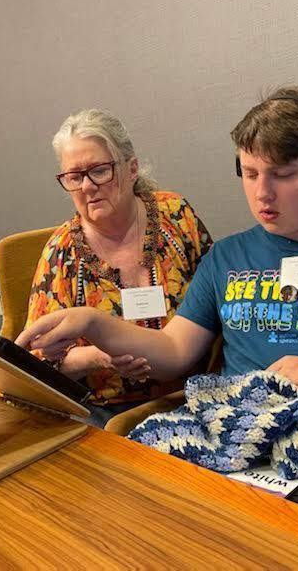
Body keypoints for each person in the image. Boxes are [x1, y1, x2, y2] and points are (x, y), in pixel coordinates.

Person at [17, 87, 298, 542]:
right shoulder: (227, 258)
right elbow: (174, 351)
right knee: (143, 522)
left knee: (285, 547)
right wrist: (94, 324)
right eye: (250, 173)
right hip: (234, 443)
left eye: (283, 174)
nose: (263, 193)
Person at [24, 108, 212, 428]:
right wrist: (102, 358)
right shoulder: (62, 254)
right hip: (106, 410)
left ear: (132, 168)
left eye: (99, 170)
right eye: (74, 176)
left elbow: (217, 297)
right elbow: (41, 362)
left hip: (189, 394)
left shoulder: (175, 216)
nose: (86, 186)